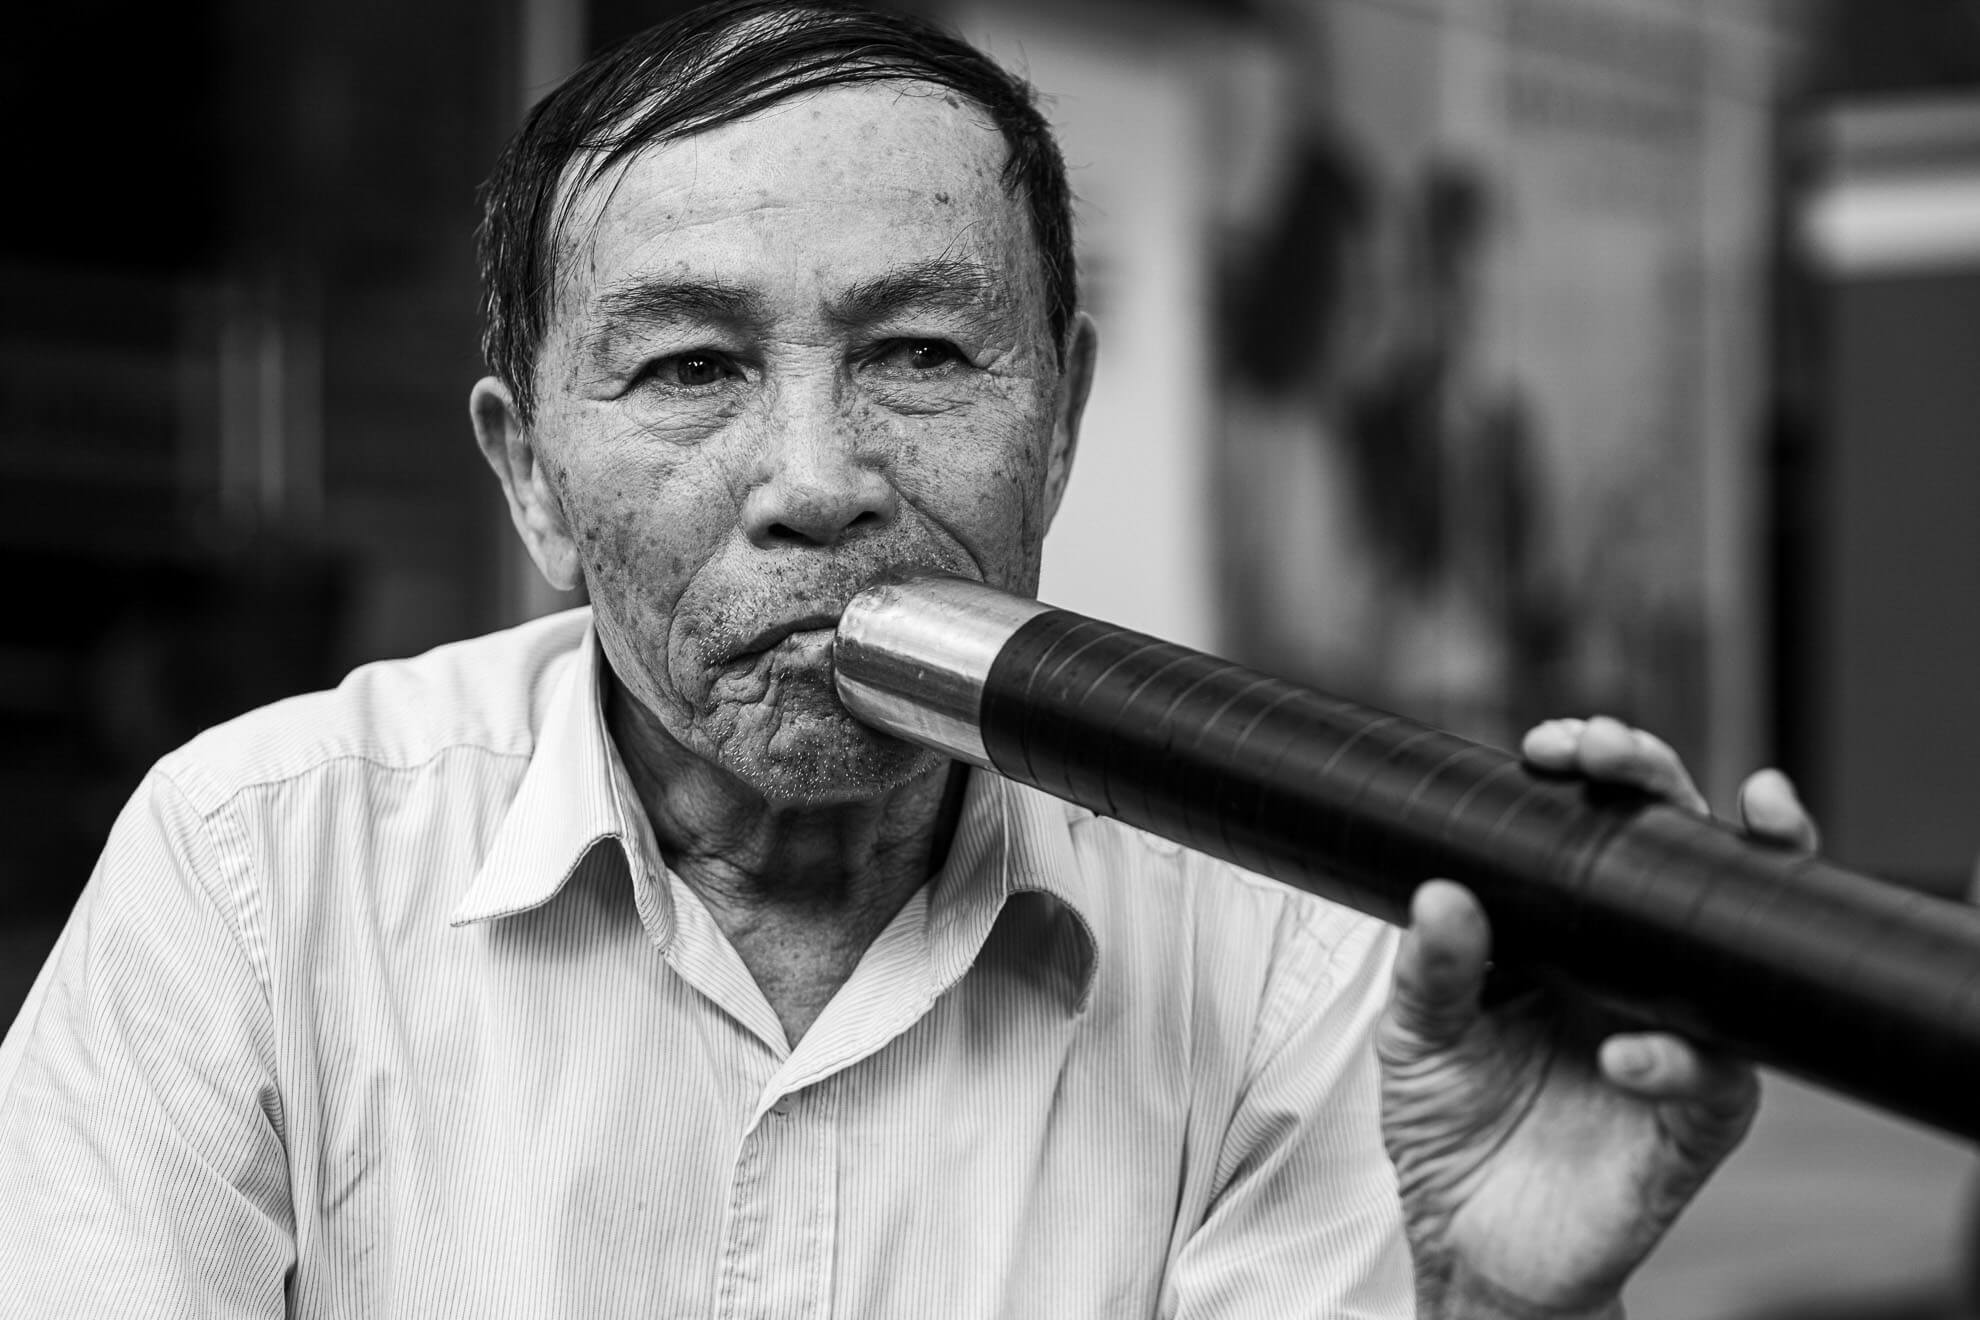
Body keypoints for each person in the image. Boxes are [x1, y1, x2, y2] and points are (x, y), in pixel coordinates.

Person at [0, 2, 1814, 1315]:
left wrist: (1488, 1309)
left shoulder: (1297, 942)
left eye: (925, 355)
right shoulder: (251, 866)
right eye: (692, 368)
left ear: (1065, 415)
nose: (817, 483)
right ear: (529, 477)